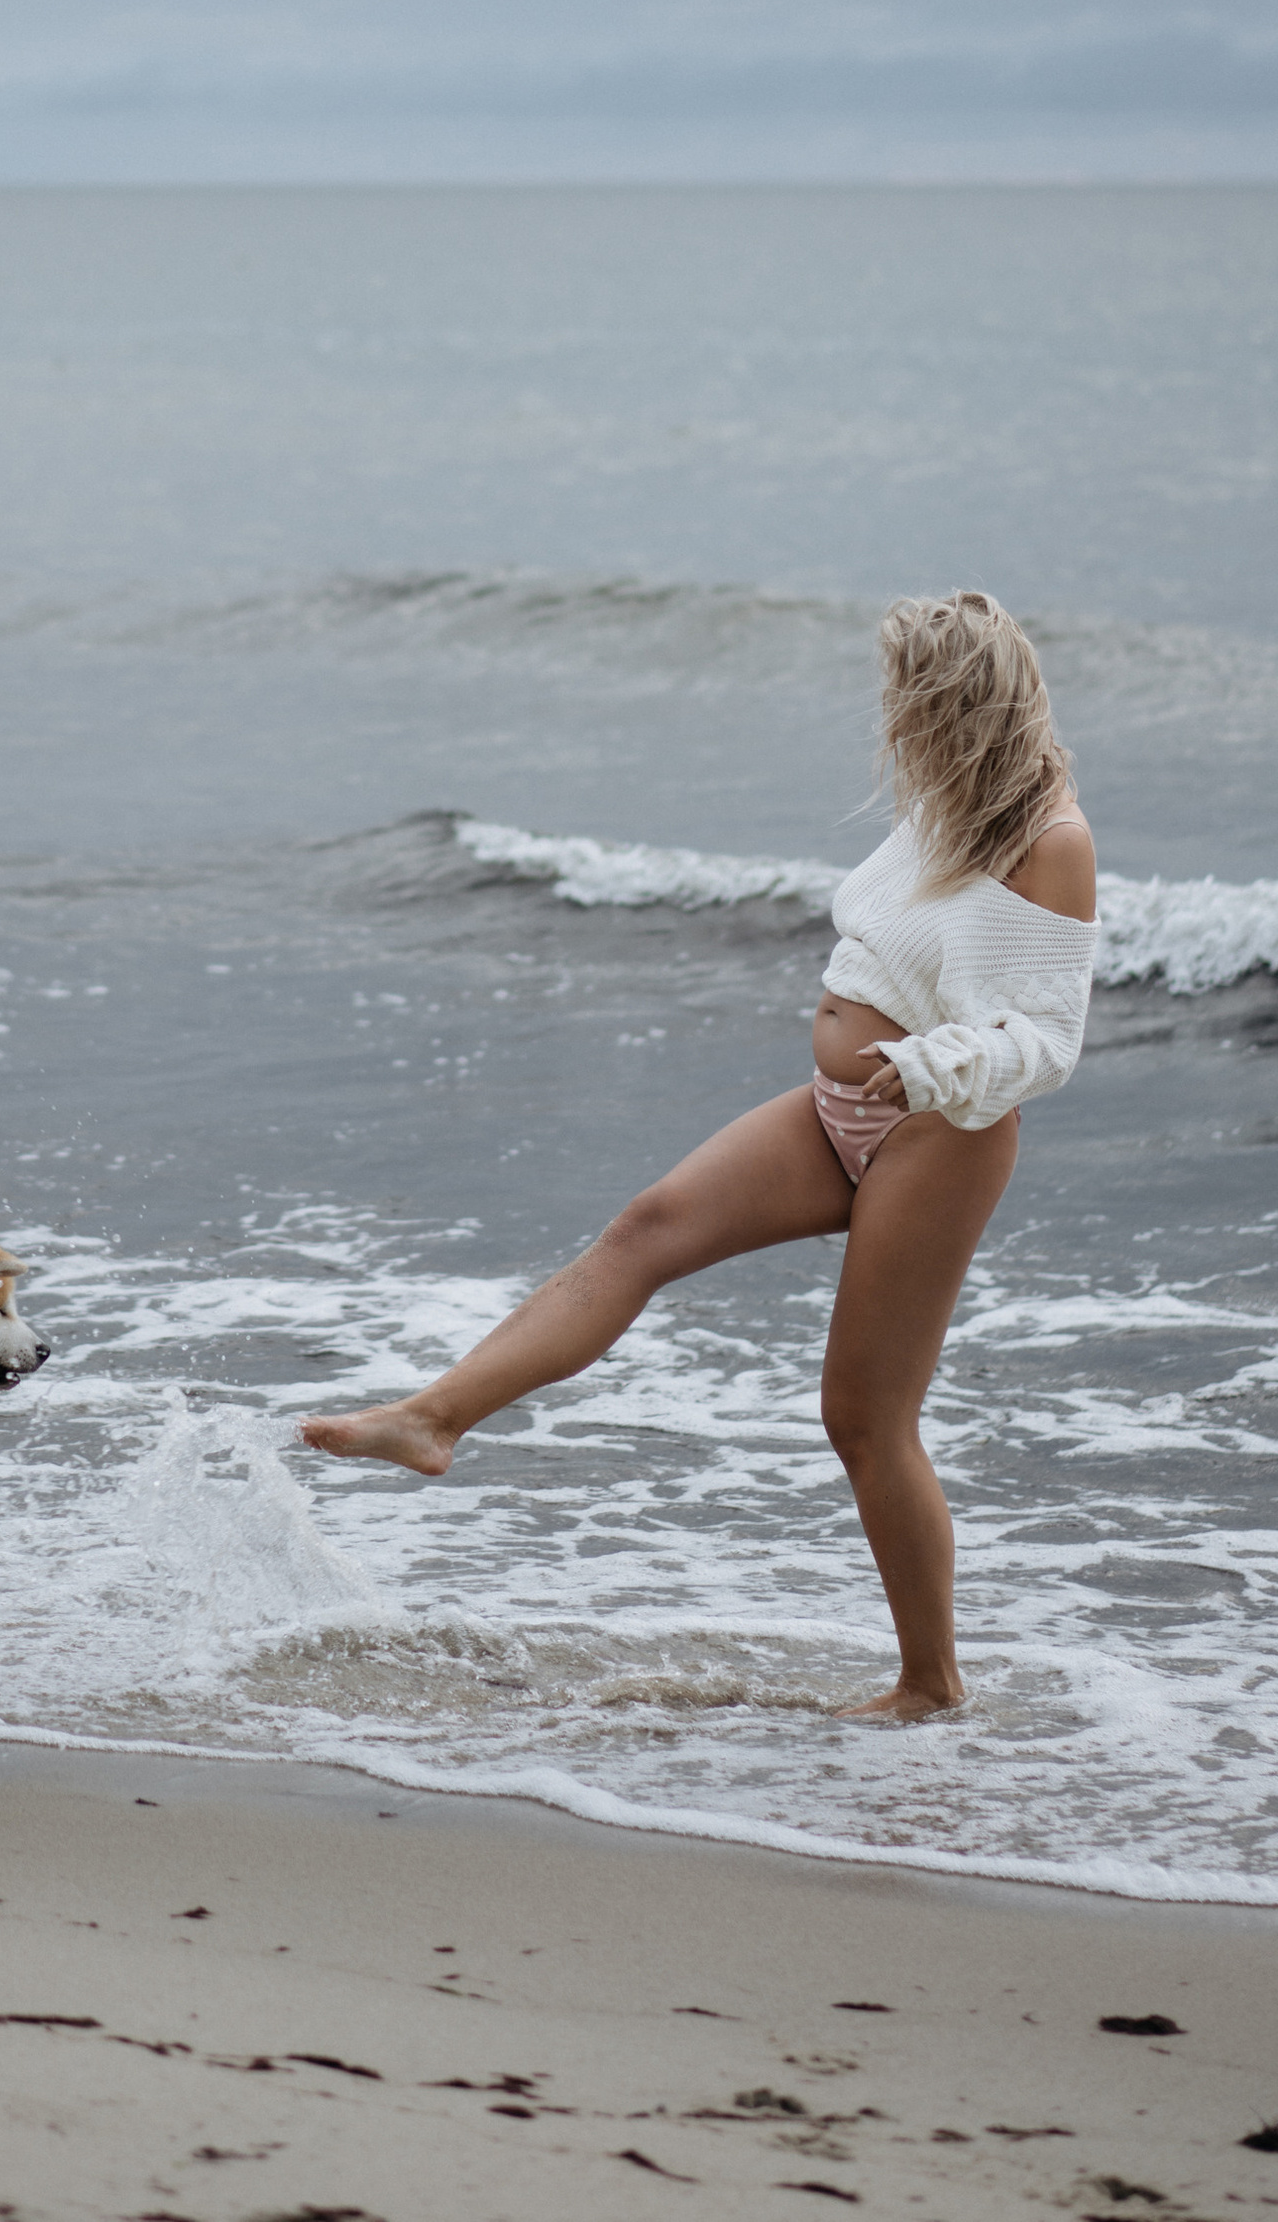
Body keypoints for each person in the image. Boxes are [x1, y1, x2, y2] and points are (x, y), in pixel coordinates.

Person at [300, 589, 1098, 1720]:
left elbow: (1048, 1039)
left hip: (940, 1133)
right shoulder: (944, 801)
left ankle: (929, 1683)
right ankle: (432, 1419)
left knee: (864, 1418)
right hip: (837, 1107)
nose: (887, 717)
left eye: (903, 697)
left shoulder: (1049, 839)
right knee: (644, 1229)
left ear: (956, 702)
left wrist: (924, 1069)